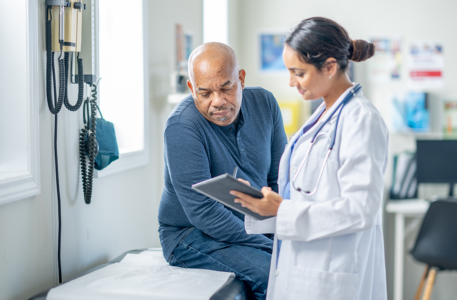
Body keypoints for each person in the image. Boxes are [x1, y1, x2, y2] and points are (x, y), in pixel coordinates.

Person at [231, 17, 388, 300]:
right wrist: (265, 208)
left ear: (329, 67)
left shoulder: (362, 120)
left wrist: (283, 211)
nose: (291, 82)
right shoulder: (321, 117)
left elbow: (360, 209)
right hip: (300, 266)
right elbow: (306, 197)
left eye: (298, 73)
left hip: (333, 275)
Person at [158, 42, 287, 300]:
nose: (218, 102)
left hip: (252, 224)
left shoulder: (265, 104)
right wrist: (269, 245)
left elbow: (279, 179)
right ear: (192, 89)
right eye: (205, 93)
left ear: (241, 79)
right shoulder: (182, 127)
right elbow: (203, 212)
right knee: (274, 274)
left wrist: (283, 233)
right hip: (190, 235)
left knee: (297, 265)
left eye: (226, 88)